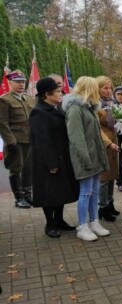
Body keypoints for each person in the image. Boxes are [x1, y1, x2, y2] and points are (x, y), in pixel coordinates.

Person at [29, 77, 79, 238]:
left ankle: (59, 220)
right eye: (57, 91)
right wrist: (51, 163)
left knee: (61, 192)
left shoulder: (56, 109)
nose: (61, 93)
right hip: (48, 161)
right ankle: (49, 224)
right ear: (46, 94)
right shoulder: (39, 112)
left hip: (62, 157)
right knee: (49, 194)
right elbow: (42, 141)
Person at [63, 76, 110, 241]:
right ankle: (82, 226)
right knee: (85, 193)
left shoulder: (88, 107)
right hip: (85, 158)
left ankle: (94, 222)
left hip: (94, 156)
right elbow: (76, 137)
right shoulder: (75, 109)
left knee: (94, 191)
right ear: (89, 89)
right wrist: (86, 159)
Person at [0, 70, 35, 208]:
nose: (21, 84)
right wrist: (10, 141)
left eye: (23, 82)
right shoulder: (4, 100)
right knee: (16, 168)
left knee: (29, 168)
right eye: (18, 82)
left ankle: (28, 194)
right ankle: (19, 197)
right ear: (10, 83)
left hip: (30, 139)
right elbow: (2, 122)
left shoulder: (30, 99)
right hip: (16, 141)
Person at [96, 76, 121, 222]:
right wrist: (107, 143)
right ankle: (102, 207)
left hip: (113, 140)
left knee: (112, 175)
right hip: (104, 142)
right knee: (104, 177)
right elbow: (97, 128)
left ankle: (110, 202)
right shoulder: (95, 104)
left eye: (110, 87)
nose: (108, 90)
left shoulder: (110, 103)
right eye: (105, 88)